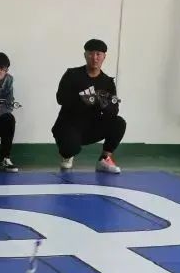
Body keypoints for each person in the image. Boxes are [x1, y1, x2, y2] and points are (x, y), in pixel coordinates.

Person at [52, 38, 125, 174]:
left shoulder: (107, 82)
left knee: (119, 123)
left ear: (104, 57)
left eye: (98, 54)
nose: (94, 58)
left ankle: (104, 159)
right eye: (91, 53)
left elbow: (114, 110)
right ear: (85, 55)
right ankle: (67, 155)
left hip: (92, 127)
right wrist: (85, 98)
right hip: (69, 124)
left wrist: (102, 102)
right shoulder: (72, 74)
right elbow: (60, 99)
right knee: (70, 148)